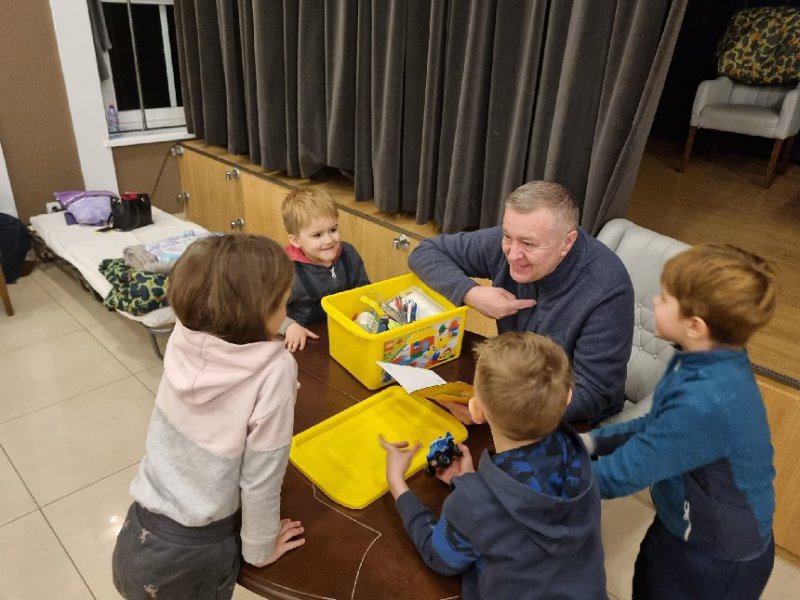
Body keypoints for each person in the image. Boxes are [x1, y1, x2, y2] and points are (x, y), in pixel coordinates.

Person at [112, 234, 305, 600]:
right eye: (284, 303)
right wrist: (260, 548)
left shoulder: (183, 334)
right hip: (196, 555)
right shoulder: (276, 369)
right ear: (260, 310)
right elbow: (262, 477)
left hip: (138, 534)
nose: (287, 312)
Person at [582, 244, 778, 599]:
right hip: (681, 518)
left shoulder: (705, 401)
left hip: (715, 556)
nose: (654, 301)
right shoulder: (700, 357)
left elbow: (620, 475)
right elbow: (656, 424)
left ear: (695, 326)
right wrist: (591, 442)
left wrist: (541, 475)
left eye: (665, 298)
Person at [380, 332, 607, 599]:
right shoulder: (580, 456)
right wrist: (470, 481)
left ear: (476, 411)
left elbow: (439, 557)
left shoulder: (473, 503)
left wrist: (397, 483)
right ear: (568, 397)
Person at [408, 181, 633, 424]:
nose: (513, 255)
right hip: (512, 387)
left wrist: (495, 411)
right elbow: (425, 252)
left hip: (574, 420)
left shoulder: (607, 288)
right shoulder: (514, 240)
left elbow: (592, 393)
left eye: (528, 244)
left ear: (567, 242)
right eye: (507, 236)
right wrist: (472, 294)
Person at [279, 187, 370, 352]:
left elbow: (364, 291)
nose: (329, 240)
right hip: (305, 343)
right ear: (296, 241)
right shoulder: (286, 271)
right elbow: (265, 311)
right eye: (317, 235)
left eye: (333, 230)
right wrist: (289, 326)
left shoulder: (349, 254)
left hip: (346, 334)